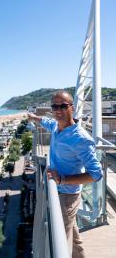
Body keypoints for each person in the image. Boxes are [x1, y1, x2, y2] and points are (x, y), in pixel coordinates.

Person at [28, 91, 102, 258]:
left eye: (63, 106)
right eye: (55, 106)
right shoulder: (55, 126)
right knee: (74, 239)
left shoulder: (81, 138)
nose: (58, 110)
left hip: (67, 196)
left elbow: (96, 174)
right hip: (60, 192)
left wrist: (62, 179)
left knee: (62, 243)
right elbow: (45, 121)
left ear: (72, 108)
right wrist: (33, 117)